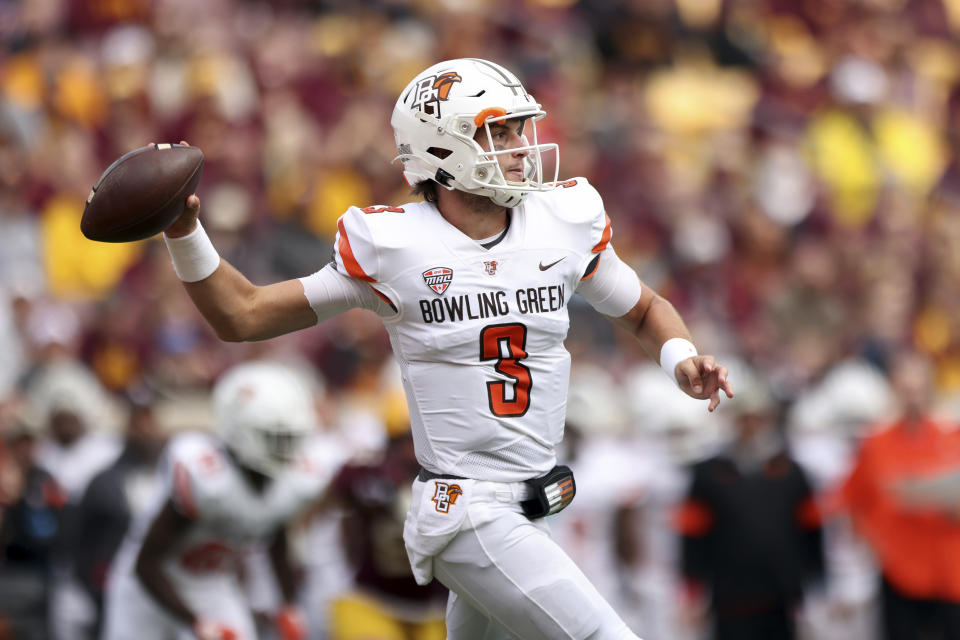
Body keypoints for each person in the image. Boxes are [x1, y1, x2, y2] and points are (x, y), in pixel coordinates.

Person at [158, 58, 733, 639]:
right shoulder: (394, 245)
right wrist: (184, 231)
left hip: (533, 508)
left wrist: (680, 356)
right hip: (468, 509)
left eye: (518, 129)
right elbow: (244, 314)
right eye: (497, 132)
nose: (520, 147)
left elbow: (642, 308)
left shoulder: (562, 220)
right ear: (441, 150)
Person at [101, 361, 337, 640]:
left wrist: (288, 605)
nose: (286, 451)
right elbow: (146, 564)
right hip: (147, 588)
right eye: (275, 439)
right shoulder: (205, 476)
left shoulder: (291, 482)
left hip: (211, 585)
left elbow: (274, 530)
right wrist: (197, 623)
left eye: (291, 439)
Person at [676, 377, 824, 640]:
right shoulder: (710, 474)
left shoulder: (790, 472)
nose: (750, 426)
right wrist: (692, 588)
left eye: (757, 418)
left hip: (781, 594)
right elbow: (693, 535)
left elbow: (811, 530)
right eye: (744, 418)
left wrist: (816, 581)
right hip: (729, 594)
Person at [843, 350, 960, 640]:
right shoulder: (876, 444)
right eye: (906, 390)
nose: (914, 398)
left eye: (920, 389)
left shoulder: (953, 438)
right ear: (895, 391)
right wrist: (874, 544)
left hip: (951, 569)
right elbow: (853, 500)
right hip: (900, 569)